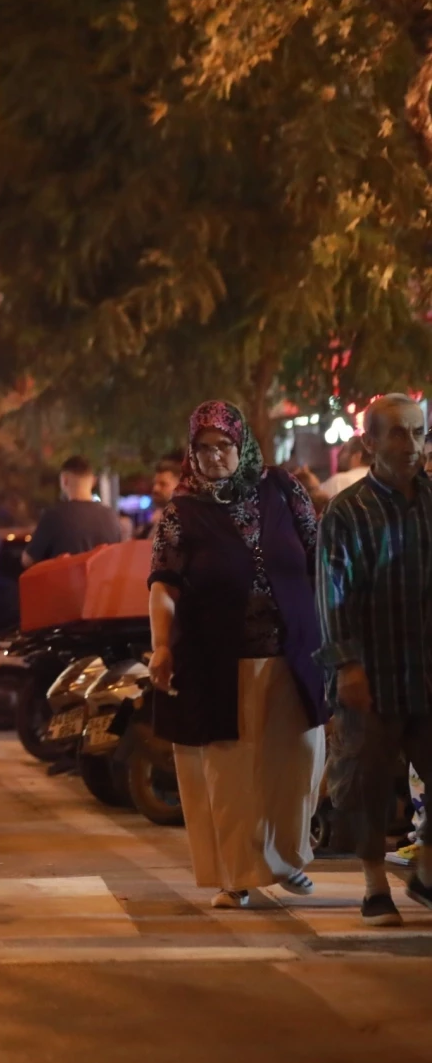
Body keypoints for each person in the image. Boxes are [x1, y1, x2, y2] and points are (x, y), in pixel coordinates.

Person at [148, 401, 326, 911]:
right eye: (202, 448)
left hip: (292, 652)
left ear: (241, 443)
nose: (213, 457)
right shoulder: (182, 511)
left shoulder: (282, 489)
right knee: (230, 776)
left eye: (222, 445)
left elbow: (316, 559)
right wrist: (161, 644)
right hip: (217, 661)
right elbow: (163, 585)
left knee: (300, 763)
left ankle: (287, 857)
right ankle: (237, 875)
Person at [317, 393, 432, 926]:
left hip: (427, 670)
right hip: (373, 673)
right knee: (365, 783)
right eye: (397, 433)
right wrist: (346, 664)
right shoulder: (348, 511)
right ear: (370, 442)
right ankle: (373, 886)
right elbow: (332, 593)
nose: (411, 445)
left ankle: (426, 872)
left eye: (418, 432)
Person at [22, 456, 123, 566]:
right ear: (93, 481)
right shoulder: (111, 517)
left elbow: (28, 560)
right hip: (103, 583)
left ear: (65, 480)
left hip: (66, 582)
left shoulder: (53, 516)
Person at [317, 436, 370, 502]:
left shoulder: (339, 480)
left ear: (358, 456)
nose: (338, 455)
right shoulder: (379, 479)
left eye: (344, 450)